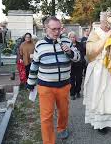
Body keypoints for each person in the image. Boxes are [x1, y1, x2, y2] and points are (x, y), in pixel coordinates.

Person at [26, 16, 80, 144]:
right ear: (46, 29)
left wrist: (70, 53)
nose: (57, 32)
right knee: (46, 117)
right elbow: (34, 65)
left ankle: (62, 128)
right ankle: (49, 141)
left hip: (64, 85)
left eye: (59, 29)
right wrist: (30, 83)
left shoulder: (67, 41)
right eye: (54, 29)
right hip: (46, 87)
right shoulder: (40, 45)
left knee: (64, 111)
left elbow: (78, 58)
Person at [83, 9, 111, 138]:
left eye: (110, 21)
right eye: (106, 21)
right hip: (99, 69)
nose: (108, 24)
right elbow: (90, 51)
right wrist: (106, 40)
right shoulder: (94, 33)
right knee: (100, 96)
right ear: (102, 21)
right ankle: (100, 124)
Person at [68, 31, 84, 100]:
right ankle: (72, 93)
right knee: (71, 80)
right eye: (71, 37)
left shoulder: (80, 44)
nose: (72, 38)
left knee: (79, 79)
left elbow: (83, 54)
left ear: (76, 37)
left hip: (79, 65)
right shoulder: (67, 45)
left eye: (74, 37)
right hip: (70, 66)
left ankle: (78, 91)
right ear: (69, 38)